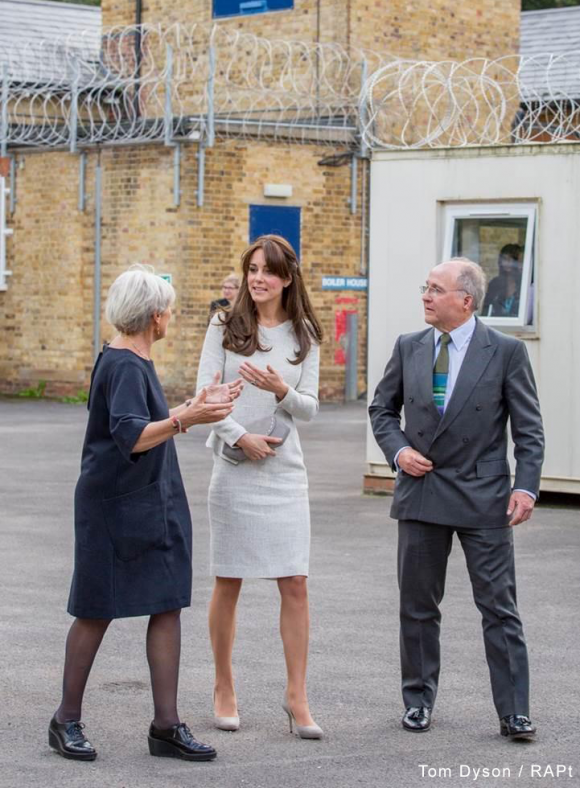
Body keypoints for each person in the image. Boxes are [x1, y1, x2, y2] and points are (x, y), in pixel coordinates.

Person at [49, 264, 242, 763]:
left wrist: (191, 405)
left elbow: (140, 420)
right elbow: (131, 434)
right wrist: (187, 417)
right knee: (96, 608)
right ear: (156, 317)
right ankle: (65, 719)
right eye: (169, 311)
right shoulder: (127, 364)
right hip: (117, 506)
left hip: (148, 500)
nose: (171, 317)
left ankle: (166, 725)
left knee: (166, 603)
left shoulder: (126, 358)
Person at [369, 258, 544, 740]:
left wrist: (525, 486)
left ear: (465, 300)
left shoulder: (505, 351)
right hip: (422, 492)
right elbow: (382, 410)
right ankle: (418, 702)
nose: (425, 295)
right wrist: (399, 451)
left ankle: (514, 712)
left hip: (484, 496)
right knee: (418, 606)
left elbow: (529, 429)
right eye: (424, 287)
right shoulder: (409, 347)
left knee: (499, 608)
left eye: (435, 289)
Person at [197, 234, 324, 739]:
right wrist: (240, 436)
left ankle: (297, 696)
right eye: (252, 269)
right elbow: (204, 395)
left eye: (268, 271)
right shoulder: (225, 324)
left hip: (284, 472)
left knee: (294, 582)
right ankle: (224, 686)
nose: (257, 278)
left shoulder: (305, 333)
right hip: (233, 466)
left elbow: (311, 407)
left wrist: (281, 390)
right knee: (228, 580)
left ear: (287, 278)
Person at [482, 243, 523, 318]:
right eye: (505, 259)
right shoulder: (494, 284)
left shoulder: (524, 285)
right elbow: (485, 311)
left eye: (513, 259)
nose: (508, 263)